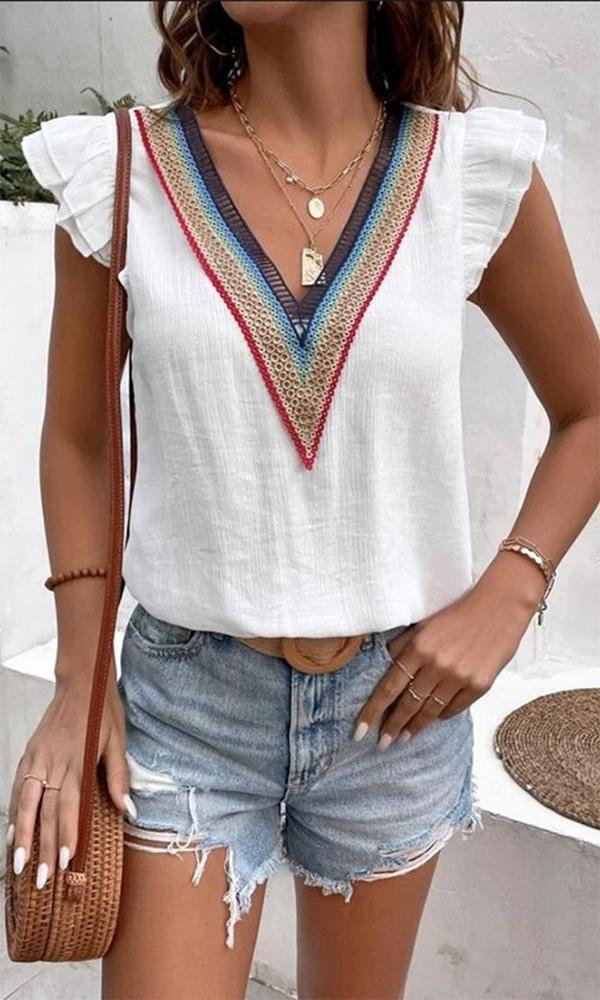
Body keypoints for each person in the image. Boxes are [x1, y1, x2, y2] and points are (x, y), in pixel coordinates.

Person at [9, 1, 599, 997]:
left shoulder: (467, 174)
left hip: (395, 713)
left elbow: (587, 408)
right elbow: (79, 439)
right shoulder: (120, 173)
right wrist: (78, 680)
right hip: (186, 708)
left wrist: (512, 587)